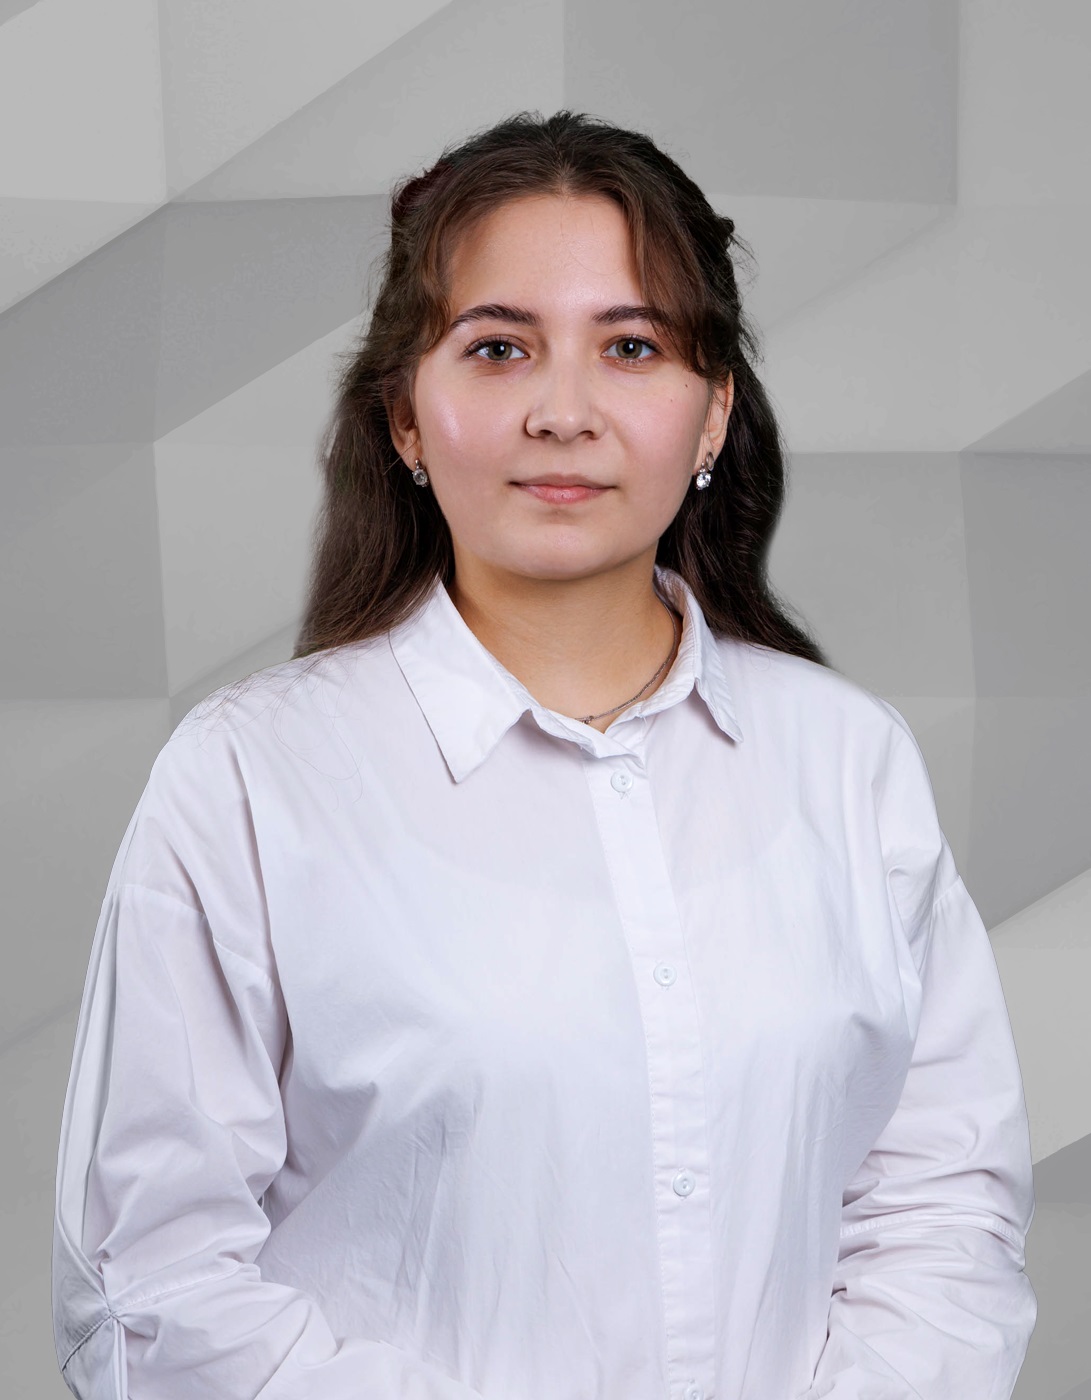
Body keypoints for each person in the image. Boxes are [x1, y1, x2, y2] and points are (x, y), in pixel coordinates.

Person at [51, 110, 1037, 1400]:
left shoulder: (849, 763)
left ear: (713, 416)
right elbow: (151, 1283)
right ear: (406, 418)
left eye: (631, 348)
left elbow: (942, 1208)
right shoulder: (249, 779)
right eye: (499, 348)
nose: (563, 413)